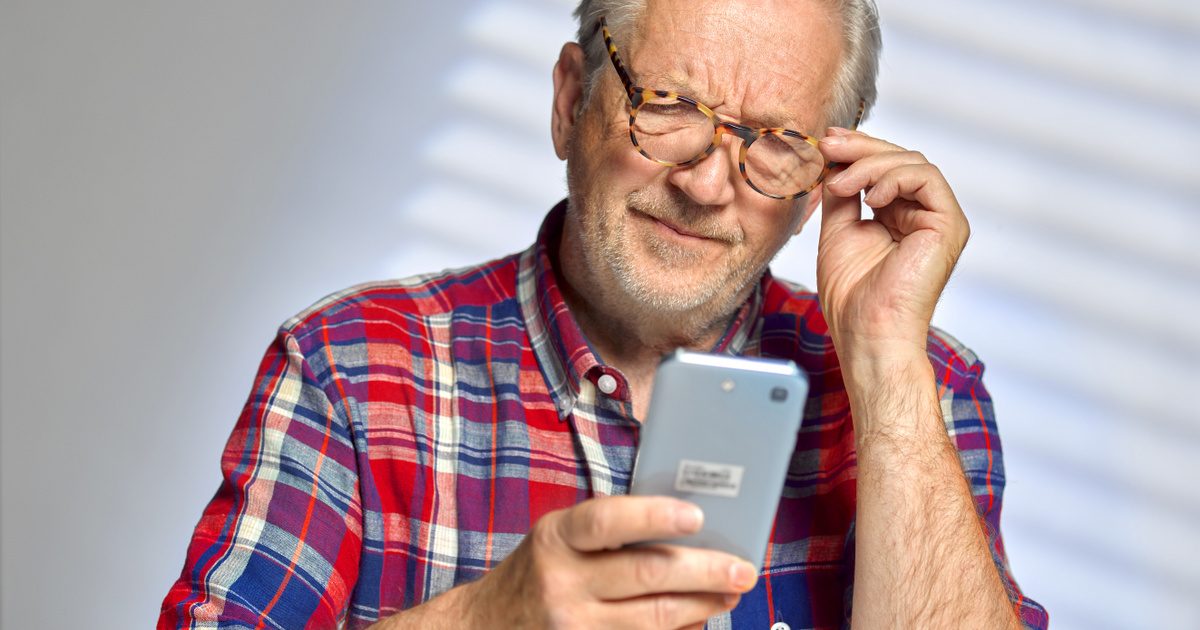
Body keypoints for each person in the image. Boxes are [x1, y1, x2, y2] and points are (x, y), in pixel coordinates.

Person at [160, 0, 1048, 627]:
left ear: (822, 181)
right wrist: (486, 624)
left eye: (774, 144)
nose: (706, 186)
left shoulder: (918, 389)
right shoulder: (349, 369)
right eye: (667, 106)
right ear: (569, 101)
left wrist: (889, 367)